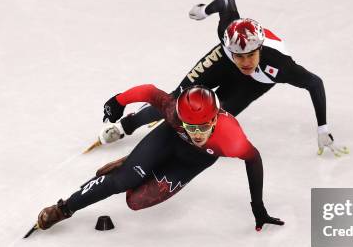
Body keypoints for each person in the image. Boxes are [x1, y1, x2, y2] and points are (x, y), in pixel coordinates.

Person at [98, 0, 348, 157]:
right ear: (229, 46)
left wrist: (322, 127)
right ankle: (126, 125)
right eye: (240, 56)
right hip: (220, 62)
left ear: (259, 49)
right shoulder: (227, 33)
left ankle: (168, 143)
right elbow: (227, 2)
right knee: (178, 99)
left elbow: (315, 83)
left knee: (210, 119)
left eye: (251, 55)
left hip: (255, 84)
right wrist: (205, 10)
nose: (246, 62)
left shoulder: (280, 65)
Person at [34, 85, 284, 233]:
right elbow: (149, 92)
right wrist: (117, 101)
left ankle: (133, 162)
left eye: (203, 126)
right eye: (190, 125)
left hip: (192, 162)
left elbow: (254, 159)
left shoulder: (232, 138)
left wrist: (258, 208)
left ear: (216, 119)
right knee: (122, 181)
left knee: (134, 201)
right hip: (168, 138)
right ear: (180, 116)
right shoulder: (173, 111)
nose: (196, 133)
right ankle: (64, 207)